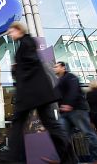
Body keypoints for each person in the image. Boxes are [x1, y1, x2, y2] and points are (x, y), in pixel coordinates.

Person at [5, 22, 77, 163]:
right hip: (37, 94)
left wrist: (17, 68)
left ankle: (11, 159)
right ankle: (69, 159)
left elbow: (31, 65)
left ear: (19, 30)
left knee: (19, 124)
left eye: (11, 31)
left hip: (32, 94)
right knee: (51, 126)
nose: (10, 34)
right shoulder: (25, 43)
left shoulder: (27, 42)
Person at [54, 62, 97, 163]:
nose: (54, 69)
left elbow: (73, 90)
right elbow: (54, 95)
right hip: (65, 113)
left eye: (56, 67)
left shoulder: (70, 77)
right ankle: (69, 161)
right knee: (63, 137)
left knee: (88, 134)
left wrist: (69, 104)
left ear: (63, 68)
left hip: (77, 110)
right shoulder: (59, 81)